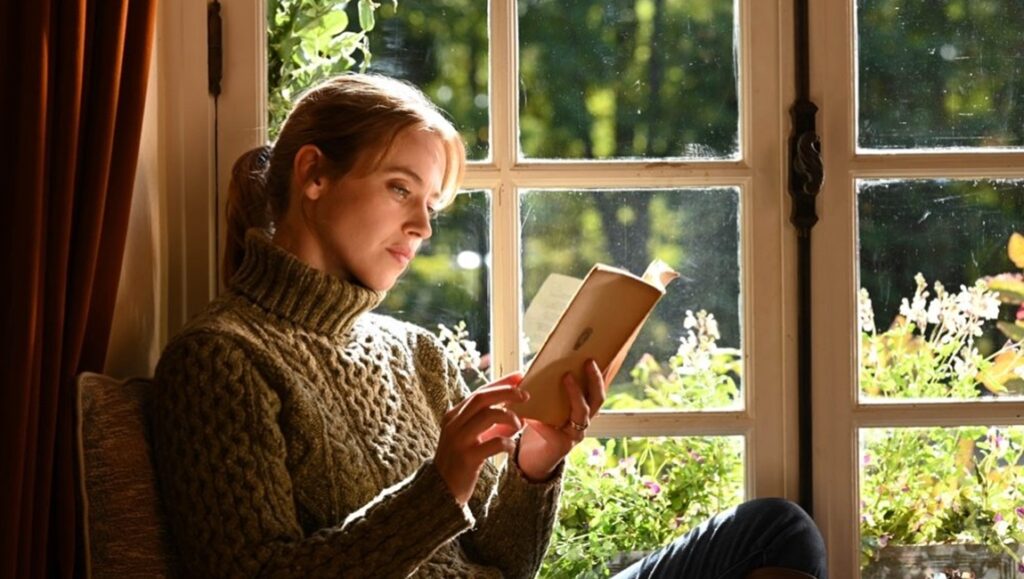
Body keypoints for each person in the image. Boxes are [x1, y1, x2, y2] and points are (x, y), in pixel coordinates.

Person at [150, 73, 827, 579]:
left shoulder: (413, 352)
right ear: (313, 174)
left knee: (775, 531)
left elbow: (504, 563)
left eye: (432, 204)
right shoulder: (218, 360)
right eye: (399, 188)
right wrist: (439, 485)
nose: (421, 226)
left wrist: (536, 460)